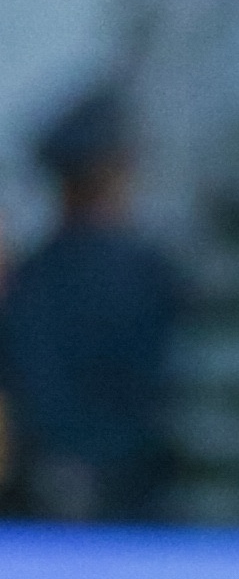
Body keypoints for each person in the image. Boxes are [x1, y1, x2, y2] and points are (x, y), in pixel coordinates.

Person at [0, 91, 181, 521]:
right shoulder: (157, 274)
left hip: (40, 500)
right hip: (144, 503)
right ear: (118, 169)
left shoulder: (28, 277)